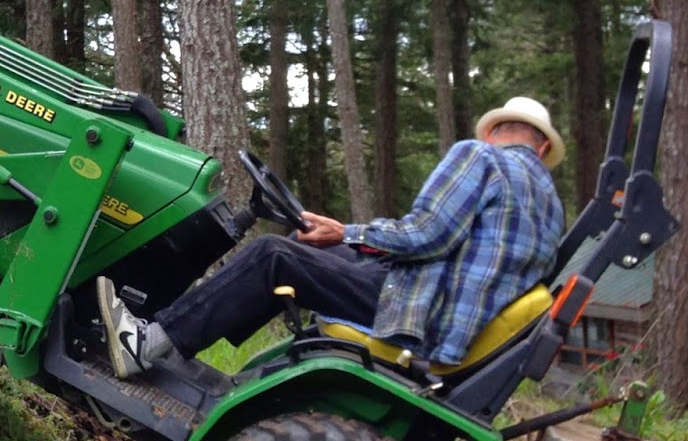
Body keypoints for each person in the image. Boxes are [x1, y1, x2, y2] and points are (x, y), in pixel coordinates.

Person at [97, 97, 567, 378]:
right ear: (543, 146)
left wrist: (349, 231)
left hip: (419, 313)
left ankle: (149, 344)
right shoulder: (551, 204)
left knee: (272, 254)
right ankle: (190, 340)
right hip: (455, 321)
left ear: (492, 132)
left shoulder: (481, 158)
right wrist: (345, 241)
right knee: (311, 246)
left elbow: (427, 235)